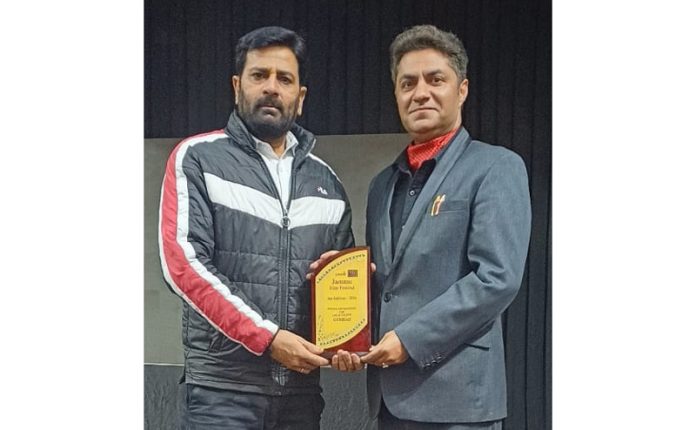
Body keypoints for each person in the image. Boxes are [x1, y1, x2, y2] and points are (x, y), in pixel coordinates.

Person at [321, 24, 532, 429]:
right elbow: (391, 286)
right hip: (388, 401)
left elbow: (497, 279)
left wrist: (409, 340)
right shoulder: (384, 183)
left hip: (458, 404)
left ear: (462, 89)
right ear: (397, 95)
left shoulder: (495, 167)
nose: (421, 92)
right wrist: (344, 301)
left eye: (436, 79)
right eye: (407, 83)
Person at [158, 26, 355, 429]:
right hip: (222, 394)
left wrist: (347, 340)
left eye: (284, 79)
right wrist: (267, 339)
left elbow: (340, 278)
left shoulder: (328, 183)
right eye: (259, 75)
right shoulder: (197, 159)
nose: (271, 87)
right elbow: (184, 266)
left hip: (300, 395)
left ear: (300, 98)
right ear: (237, 86)